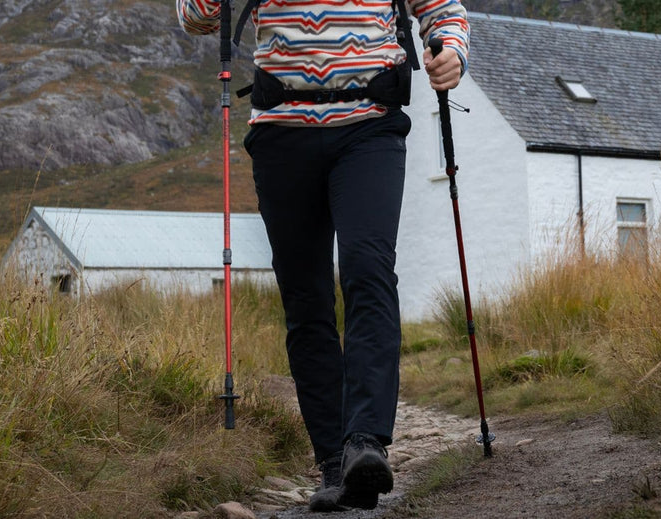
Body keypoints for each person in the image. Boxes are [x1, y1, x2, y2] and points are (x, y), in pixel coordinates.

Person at [177, 0, 469, 512]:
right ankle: (335, 464)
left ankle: (366, 442)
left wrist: (454, 53)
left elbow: (442, 8)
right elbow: (196, 16)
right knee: (305, 298)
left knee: (367, 269)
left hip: (370, 127)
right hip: (280, 134)